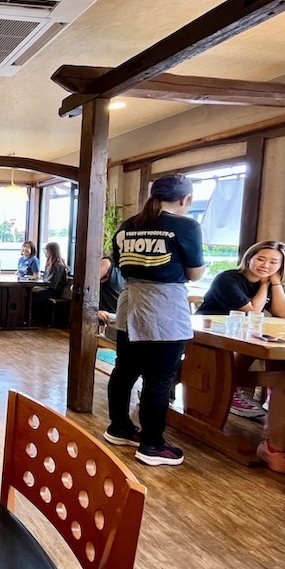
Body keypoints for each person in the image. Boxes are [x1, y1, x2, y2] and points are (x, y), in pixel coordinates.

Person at [103, 173, 205, 467]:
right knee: (159, 379)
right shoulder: (186, 226)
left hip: (130, 304)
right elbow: (195, 273)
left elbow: (120, 264)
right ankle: (152, 444)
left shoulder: (127, 225)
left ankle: (119, 427)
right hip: (164, 306)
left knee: (124, 370)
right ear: (186, 199)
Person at [196, 241, 285, 418]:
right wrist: (265, 285)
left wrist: (276, 283)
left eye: (274, 262)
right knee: (252, 346)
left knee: (274, 346)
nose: (265, 265)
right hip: (208, 330)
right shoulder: (228, 278)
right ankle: (228, 391)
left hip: (239, 331)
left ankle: (274, 395)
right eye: (261, 259)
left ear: (281, 266)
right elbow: (252, 312)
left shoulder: (269, 281)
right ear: (249, 258)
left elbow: (282, 312)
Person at [30, 242, 69, 324]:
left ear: (52, 251)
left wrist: (40, 288)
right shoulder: (49, 263)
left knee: (34, 295)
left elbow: (53, 284)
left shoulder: (58, 265)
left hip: (55, 291)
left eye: (47, 250)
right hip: (49, 288)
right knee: (31, 293)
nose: (46, 253)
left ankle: (35, 319)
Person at [97, 255, 124, 336]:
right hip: (104, 323)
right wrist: (93, 311)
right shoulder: (108, 263)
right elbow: (83, 287)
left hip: (121, 321)